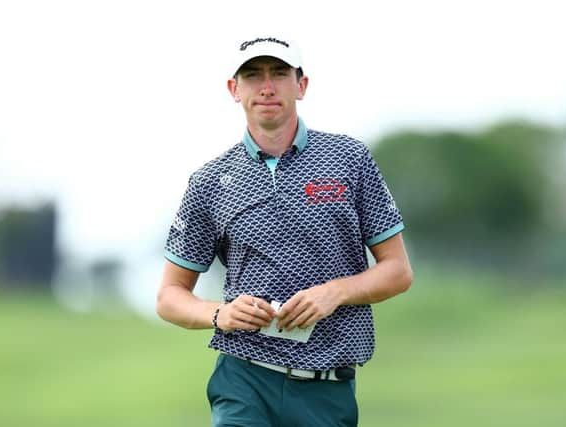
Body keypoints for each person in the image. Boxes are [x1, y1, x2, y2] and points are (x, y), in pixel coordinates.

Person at [156, 36, 413, 427]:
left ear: (301, 85)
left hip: (326, 387)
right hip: (243, 379)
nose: (266, 86)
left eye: (279, 73)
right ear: (234, 89)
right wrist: (219, 313)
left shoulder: (348, 159)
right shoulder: (210, 181)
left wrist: (334, 293)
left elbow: (397, 271)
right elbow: (170, 296)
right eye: (253, 75)